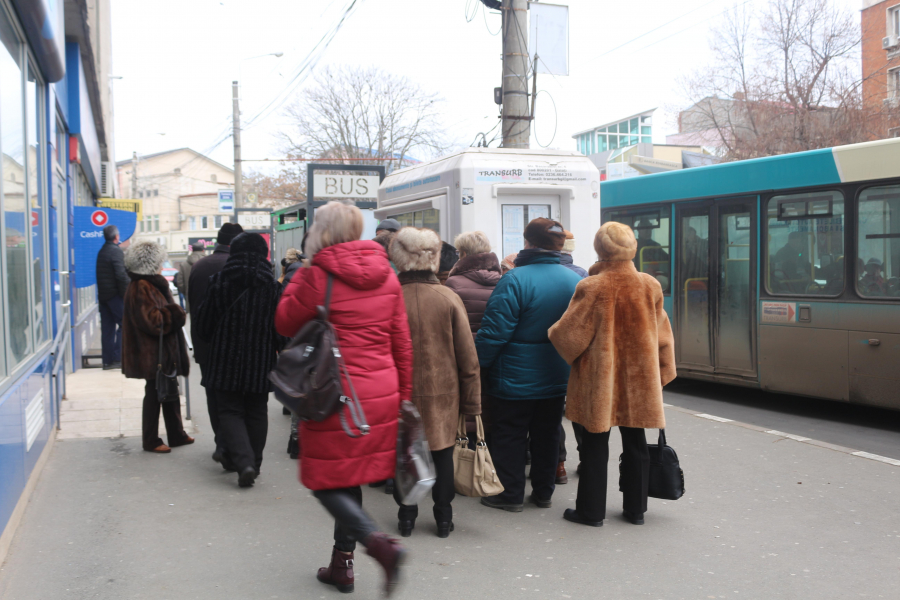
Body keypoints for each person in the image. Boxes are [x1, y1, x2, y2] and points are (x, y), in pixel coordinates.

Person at [275, 201, 412, 595]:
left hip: (336, 393)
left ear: (322, 231)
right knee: (345, 476)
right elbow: (402, 342)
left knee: (323, 479)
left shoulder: (316, 275)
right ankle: (341, 565)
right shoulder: (386, 273)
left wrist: (301, 277)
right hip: (381, 394)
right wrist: (403, 398)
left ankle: (378, 544)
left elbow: (284, 321)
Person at [548, 222, 676, 527]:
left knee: (595, 444)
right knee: (636, 442)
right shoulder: (650, 285)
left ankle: (591, 512)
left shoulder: (592, 287)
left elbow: (568, 335)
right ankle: (636, 510)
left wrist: (553, 332)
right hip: (640, 377)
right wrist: (663, 369)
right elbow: (663, 334)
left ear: (600, 249)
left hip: (599, 378)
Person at [475, 218, 581, 512]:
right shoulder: (574, 280)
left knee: (510, 431)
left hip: (515, 375)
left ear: (528, 242)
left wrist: (478, 364)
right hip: (558, 371)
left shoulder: (515, 279)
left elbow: (495, 332)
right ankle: (544, 491)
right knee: (548, 431)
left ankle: (509, 494)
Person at [389, 227, 481, 539]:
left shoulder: (390, 299)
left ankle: (406, 516)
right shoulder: (448, 297)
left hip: (400, 392)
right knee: (443, 454)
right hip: (444, 392)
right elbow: (468, 359)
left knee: (405, 452)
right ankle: (443, 517)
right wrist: (472, 405)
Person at [195, 233, 284, 488]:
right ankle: (254, 464)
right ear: (263, 254)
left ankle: (243, 462)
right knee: (257, 410)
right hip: (261, 361)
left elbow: (203, 324)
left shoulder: (219, 281)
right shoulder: (273, 287)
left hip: (225, 360)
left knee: (230, 411)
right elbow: (281, 330)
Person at [121, 240, 194, 454]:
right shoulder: (142, 286)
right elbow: (153, 321)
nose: (162, 265)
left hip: (159, 351)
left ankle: (176, 434)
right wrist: (176, 313)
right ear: (151, 265)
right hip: (150, 352)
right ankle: (150, 440)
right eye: (159, 262)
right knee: (154, 394)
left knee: (169, 389)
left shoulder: (150, 284)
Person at [188, 222, 244, 469]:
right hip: (235, 344)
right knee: (236, 398)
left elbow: (192, 306)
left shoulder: (199, 266)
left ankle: (221, 442)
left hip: (205, 343)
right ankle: (232, 446)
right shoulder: (238, 266)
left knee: (213, 395)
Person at [444, 231, 503, 338]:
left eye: (458, 252)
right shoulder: (502, 281)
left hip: (465, 345)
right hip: (494, 344)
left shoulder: (454, 283)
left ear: (464, 254)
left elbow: (446, 320)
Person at [278, 246, 304, 459]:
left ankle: (296, 440)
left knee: (299, 389)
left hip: (299, 343)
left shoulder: (290, 278)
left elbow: (284, 318)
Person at [96, 225, 130, 370]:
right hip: (114, 296)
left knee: (107, 329)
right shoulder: (115, 251)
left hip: (104, 296)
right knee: (125, 324)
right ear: (116, 237)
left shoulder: (102, 251)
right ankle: (117, 357)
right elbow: (121, 276)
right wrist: (127, 294)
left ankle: (107, 361)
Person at [175, 247, 205, 311]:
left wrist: (187, 292)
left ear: (192, 250)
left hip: (190, 298)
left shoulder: (184, 264)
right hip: (205, 298)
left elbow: (179, 282)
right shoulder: (208, 261)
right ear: (203, 250)